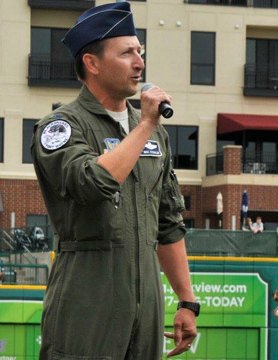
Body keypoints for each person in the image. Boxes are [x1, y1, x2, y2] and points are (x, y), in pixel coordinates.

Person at [32, 2, 198, 359]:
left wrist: (187, 301)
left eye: (140, 51)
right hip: (86, 302)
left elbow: (168, 221)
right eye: (126, 53)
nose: (139, 62)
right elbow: (91, 183)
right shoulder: (62, 126)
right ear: (92, 63)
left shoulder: (154, 133)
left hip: (146, 304)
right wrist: (145, 127)